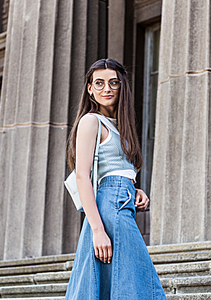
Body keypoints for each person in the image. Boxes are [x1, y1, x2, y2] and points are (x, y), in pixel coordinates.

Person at [65, 58, 167, 299]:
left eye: (113, 82)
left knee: (126, 282)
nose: (106, 89)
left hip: (122, 204)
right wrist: (98, 231)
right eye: (98, 83)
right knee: (138, 283)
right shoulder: (91, 121)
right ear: (89, 89)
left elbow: (118, 171)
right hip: (108, 209)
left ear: (122, 86)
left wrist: (136, 190)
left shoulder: (122, 127)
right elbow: (82, 176)